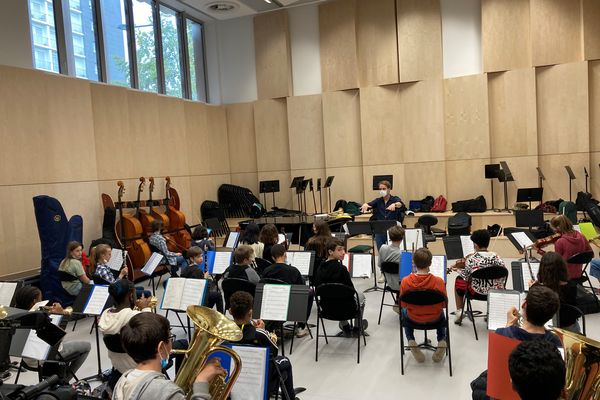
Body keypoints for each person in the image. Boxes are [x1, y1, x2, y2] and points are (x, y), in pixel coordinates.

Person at [470, 285, 562, 399]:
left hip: (506, 391)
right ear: (551, 316)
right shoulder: (555, 341)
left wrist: (508, 326)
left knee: (479, 386)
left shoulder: (503, 333)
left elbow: (499, 368)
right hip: (537, 392)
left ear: (524, 305)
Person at [113, 312, 225, 400]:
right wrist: (202, 380)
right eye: (170, 338)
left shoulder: (123, 380)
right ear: (161, 347)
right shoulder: (166, 391)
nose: (172, 343)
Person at [229, 291, 302, 400]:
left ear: (230, 311)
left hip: (232, 374)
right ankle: (290, 397)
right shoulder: (259, 334)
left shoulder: (224, 332)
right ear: (250, 313)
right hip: (258, 376)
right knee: (284, 361)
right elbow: (274, 353)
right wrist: (263, 330)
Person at [13, 286, 91, 379]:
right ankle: (65, 380)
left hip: (26, 358)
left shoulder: (16, 316)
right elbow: (58, 339)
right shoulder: (39, 319)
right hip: (43, 357)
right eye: (40, 299)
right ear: (34, 302)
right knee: (87, 346)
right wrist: (59, 315)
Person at [99, 279, 154, 388]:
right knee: (182, 343)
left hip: (119, 367)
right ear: (130, 296)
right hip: (138, 365)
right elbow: (151, 327)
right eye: (134, 293)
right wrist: (145, 308)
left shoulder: (105, 314)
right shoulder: (133, 316)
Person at [400, 248, 447, 363]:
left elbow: (403, 304)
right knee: (442, 313)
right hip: (434, 319)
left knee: (404, 312)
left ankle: (411, 340)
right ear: (430, 263)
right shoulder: (439, 281)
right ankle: (442, 340)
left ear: (414, 263)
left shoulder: (405, 281)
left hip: (413, 319)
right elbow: (444, 304)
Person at [315, 237, 367, 334]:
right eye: (339, 250)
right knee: (361, 296)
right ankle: (357, 328)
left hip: (326, 309)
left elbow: (318, 289)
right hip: (347, 310)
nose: (343, 252)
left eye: (343, 249)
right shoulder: (342, 269)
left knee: (335, 295)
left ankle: (345, 327)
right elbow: (351, 291)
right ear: (330, 252)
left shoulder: (319, 268)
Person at [453, 229, 506, 324]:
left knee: (458, 280)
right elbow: (502, 274)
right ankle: (490, 313)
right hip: (495, 292)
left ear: (476, 245)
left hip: (476, 292)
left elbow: (466, 276)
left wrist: (457, 270)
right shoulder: (498, 257)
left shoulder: (471, 259)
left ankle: (459, 312)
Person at [261, 243, 312, 338]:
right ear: (285, 254)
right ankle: (301, 326)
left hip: (270, 305)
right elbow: (301, 289)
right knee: (309, 293)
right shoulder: (293, 270)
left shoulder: (266, 270)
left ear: (272, 257)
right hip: (289, 308)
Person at [529, 251, 580, 332]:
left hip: (548, 328)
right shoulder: (571, 285)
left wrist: (532, 288)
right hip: (570, 328)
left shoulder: (539, 289)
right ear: (562, 268)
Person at [534, 215, 592, 279]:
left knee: (542, 270)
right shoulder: (581, 236)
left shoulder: (560, 242)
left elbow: (555, 263)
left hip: (564, 276)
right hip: (578, 274)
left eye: (554, 228)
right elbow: (591, 254)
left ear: (558, 228)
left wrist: (540, 251)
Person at [359, 180, 405, 250]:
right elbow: (369, 204)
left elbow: (400, 204)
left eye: (384, 189)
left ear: (389, 189)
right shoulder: (378, 200)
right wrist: (365, 204)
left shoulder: (394, 199)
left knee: (393, 250)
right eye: (380, 189)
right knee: (381, 249)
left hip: (392, 229)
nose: (382, 191)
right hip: (380, 230)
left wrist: (395, 204)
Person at [181, 246, 224, 313]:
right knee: (218, 295)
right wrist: (206, 278)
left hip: (188, 297)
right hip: (199, 298)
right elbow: (203, 287)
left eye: (202, 256)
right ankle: (220, 316)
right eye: (198, 257)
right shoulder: (197, 270)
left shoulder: (185, 269)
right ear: (192, 259)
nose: (201, 258)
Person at [377, 225, 404, 292]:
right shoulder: (402, 255)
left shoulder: (383, 248)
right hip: (402, 285)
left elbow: (380, 265)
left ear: (389, 237)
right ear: (402, 238)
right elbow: (407, 274)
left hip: (389, 283)